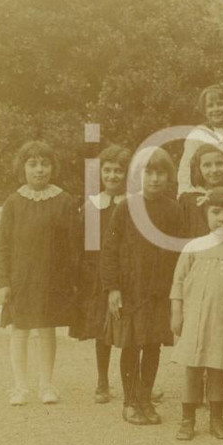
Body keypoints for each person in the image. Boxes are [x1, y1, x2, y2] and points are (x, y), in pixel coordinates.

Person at [101, 147, 184, 426]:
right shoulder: (126, 207)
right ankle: (130, 402)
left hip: (158, 292)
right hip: (130, 290)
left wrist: (176, 293)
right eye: (149, 172)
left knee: (152, 345)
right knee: (131, 345)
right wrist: (113, 287)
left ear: (169, 176)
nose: (155, 179)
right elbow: (110, 249)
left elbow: (178, 253)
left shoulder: (174, 210)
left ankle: (145, 399)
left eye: (161, 173)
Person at [170, 187, 223, 440]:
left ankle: (217, 419)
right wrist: (177, 313)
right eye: (216, 212)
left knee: (218, 370)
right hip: (195, 320)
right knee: (193, 370)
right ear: (206, 214)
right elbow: (178, 283)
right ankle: (187, 420)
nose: (222, 218)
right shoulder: (193, 247)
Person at [0, 141, 79, 406]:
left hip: (51, 279)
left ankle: (46, 385)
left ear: (53, 168)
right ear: (22, 168)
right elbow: (2, 245)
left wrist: (71, 279)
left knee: (46, 329)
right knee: (20, 330)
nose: (39, 170)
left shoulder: (64, 201)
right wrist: (3, 282)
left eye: (45, 164)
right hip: (21, 279)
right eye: (33, 164)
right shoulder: (14, 202)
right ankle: (20, 386)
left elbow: (73, 245)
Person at [70, 144, 131, 404]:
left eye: (118, 171)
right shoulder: (93, 205)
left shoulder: (134, 204)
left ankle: (135, 384)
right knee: (101, 331)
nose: (112, 176)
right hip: (99, 276)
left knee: (130, 331)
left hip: (128, 275)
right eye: (107, 170)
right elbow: (87, 246)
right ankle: (102, 382)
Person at [177, 85, 223, 196]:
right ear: (204, 110)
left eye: (220, 104)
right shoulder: (197, 135)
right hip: (203, 193)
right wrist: (186, 194)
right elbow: (186, 169)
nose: (216, 109)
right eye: (210, 106)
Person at [179, 143, 223, 237]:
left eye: (219, 163)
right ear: (198, 168)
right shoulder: (188, 200)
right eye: (207, 165)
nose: (214, 170)